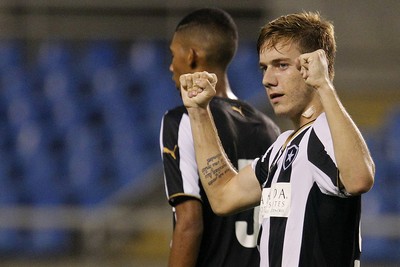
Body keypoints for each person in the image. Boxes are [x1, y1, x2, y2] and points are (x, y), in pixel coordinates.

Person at [179, 11, 375, 267]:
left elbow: (359, 178)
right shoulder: (281, 148)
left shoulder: (324, 134)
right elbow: (224, 196)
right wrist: (198, 112)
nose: (267, 80)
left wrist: (324, 86)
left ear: (315, 65)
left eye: (281, 65)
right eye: (264, 68)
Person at [160, 8, 280, 267]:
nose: (171, 65)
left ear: (191, 56)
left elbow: (190, 223)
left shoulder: (184, 120)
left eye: (173, 54)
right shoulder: (271, 130)